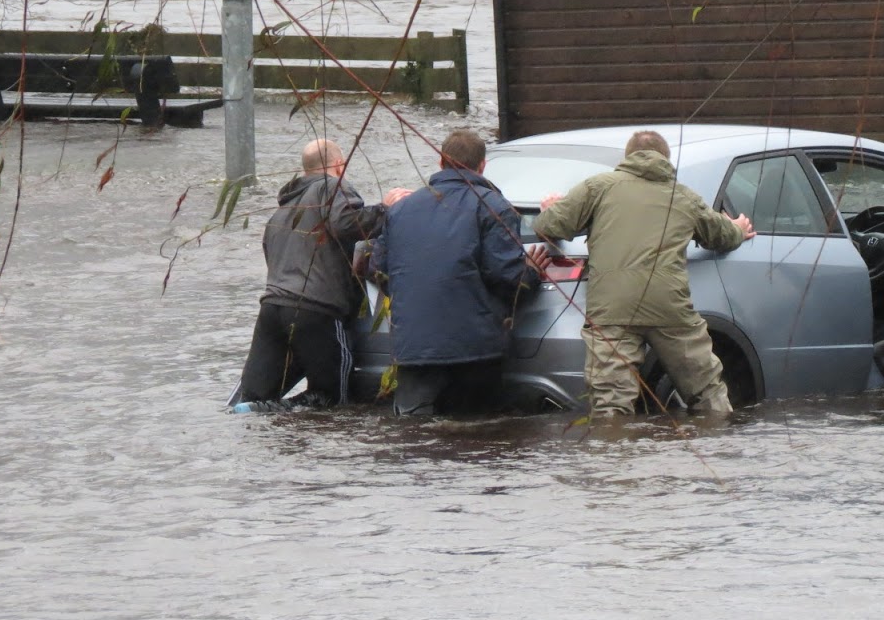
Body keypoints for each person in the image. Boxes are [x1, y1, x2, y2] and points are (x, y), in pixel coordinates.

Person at [532, 130, 755, 416]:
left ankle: (612, 453)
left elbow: (548, 226)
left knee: (611, 404)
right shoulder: (684, 196)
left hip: (613, 309)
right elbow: (722, 236)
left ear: (627, 158)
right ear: (666, 159)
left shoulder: (598, 187)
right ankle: (721, 450)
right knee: (708, 391)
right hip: (670, 309)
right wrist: (739, 227)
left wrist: (553, 208)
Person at [366, 129, 547, 417]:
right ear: (482, 166)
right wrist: (533, 274)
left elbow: (376, 269)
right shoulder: (492, 206)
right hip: (474, 350)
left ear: (441, 162)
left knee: (413, 437)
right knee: (473, 438)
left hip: (413, 346)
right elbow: (507, 276)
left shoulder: (400, 210)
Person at [233, 139, 408, 411]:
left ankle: (262, 415)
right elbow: (346, 224)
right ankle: (288, 412)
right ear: (339, 165)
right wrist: (384, 209)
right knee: (333, 397)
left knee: (254, 395)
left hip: (272, 308)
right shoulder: (331, 187)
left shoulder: (282, 211)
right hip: (315, 310)